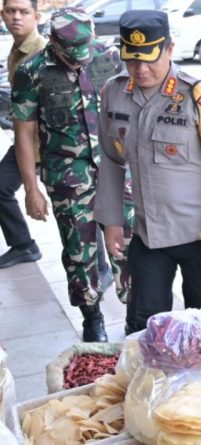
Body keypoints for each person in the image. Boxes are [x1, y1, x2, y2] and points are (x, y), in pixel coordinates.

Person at [95, 10, 201, 333]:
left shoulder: (197, 95)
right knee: (144, 327)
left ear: (170, 50)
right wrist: (112, 221)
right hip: (148, 234)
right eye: (132, 60)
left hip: (200, 235)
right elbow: (110, 160)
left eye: (150, 60)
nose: (140, 70)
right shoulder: (114, 93)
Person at [12, 7, 133, 342]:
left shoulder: (110, 57)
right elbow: (24, 132)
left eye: (83, 53)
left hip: (117, 172)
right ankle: (92, 319)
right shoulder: (32, 71)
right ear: (53, 41)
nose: (79, 61)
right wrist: (31, 189)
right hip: (68, 177)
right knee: (79, 252)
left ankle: (136, 316)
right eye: (71, 56)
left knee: (129, 244)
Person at [0, 0, 44, 269]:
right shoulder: (17, 50)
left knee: (74, 208)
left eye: (24, 12)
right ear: (2, 14)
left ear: (36, 17)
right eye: (11, 11)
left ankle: (100, 268)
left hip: (49, 144)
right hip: (26, 141)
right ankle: (23, 245)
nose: (16, 17)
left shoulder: (40, 52)